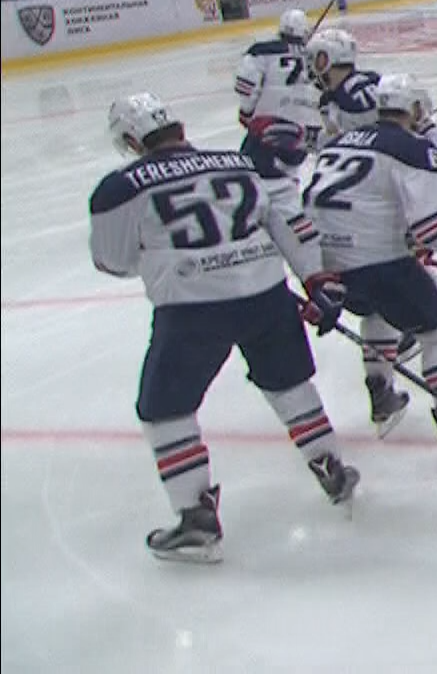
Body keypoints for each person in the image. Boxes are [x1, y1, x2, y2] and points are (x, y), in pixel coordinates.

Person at [90, 94, 357, 563]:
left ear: (132, 141)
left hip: (192, 310)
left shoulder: (119, 187)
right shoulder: (239, 164)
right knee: (289, 383)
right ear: (179, 126)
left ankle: (196, 520)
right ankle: (330, 463)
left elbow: (112, 261)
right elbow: (283, 224)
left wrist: (170, 258)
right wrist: (315, 282)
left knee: (164, 411)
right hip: (267, 296)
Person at [304, 73, 437, 471]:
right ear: (415, 109)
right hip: (379, 259)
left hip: (326, 264)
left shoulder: (338, 144)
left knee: (378, 312)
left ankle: (381, 395)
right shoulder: (412, 148)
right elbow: (431, 225)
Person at [311, 28, 437, 367]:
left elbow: (406, 137)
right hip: (374, 197)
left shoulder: (354, 96)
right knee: (411, 275)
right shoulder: (340, 98)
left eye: (318, 60)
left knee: (413, 273)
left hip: (397, 190)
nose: (314, 69)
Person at [234, 9, 323, 187]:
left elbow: (246, 87)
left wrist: (246, 112)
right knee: (289, 176)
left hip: (266, 129)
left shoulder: (260, 52)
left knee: (250, 179)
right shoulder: (315, 56)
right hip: (302, 132)